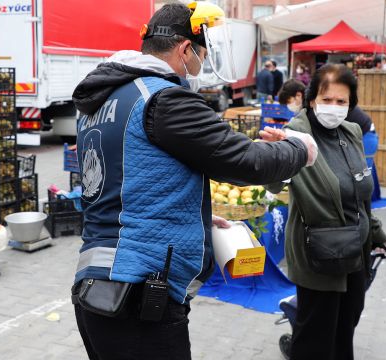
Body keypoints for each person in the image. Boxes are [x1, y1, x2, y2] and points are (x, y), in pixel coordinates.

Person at [70, 3, 318, 359]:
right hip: (138, 297)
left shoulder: (104, 100)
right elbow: (246, 162)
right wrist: (300, 148)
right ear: (186, 49)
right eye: (202, 54)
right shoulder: (163, 99)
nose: (201, 66)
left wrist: (192, 216)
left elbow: (128, 187)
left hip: (98, 289)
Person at [264, 64, 386, 360]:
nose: (333, 108)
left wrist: (377, 235)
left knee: (345, 327)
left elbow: (360, 197)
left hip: (355, 253)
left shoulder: (351, 132)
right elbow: (273, 184)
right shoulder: (297, 134)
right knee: (315, 339)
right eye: (327, 100)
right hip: (318, 255)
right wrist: (273, 155)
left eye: (341, 102)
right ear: (312, 100)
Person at [278, 79, 373, 135]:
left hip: (364, 132)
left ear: (298, 95)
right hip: (358, 131)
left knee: (361, 168)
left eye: (288, 101)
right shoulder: (309, 102)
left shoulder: (312, 102)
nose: (288, 106)